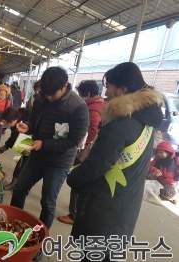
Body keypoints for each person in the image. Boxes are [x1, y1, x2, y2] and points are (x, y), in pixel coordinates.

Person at [66, 62, 163, 262]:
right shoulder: (147, 120)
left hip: (105, 207)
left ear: (123, 89)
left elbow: (95, 166)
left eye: (109, 86)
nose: (106, 91)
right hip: (126, 203)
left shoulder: (121, 123)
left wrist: (71, 178)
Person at [11, 66, 89, 260]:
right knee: (19, 188)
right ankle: (13, 228)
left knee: (47, 202)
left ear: (65, 85)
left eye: (52, 95)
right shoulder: (42, 98)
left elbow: (73, 142)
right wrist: (27, 126)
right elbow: (34, 118)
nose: (48, 98)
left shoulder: (78, 107)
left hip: (59, 162)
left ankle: (39, 244)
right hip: (37, 155)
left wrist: (43, 144)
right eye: (45, 94)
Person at [58, 80, 105, 225]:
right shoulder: (98, 104)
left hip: (85, 150)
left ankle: (73, 214)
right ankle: (77, 210)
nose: (80, 97)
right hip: (89, 149)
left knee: (76, 180)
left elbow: (93, 129)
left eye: (81, 94)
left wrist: (82, 144)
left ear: (88, 94)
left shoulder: (93, 108)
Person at [0, 106, 30, 190]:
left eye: (8, 122)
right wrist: (5, 147)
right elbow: (14, 136)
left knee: (26, 165)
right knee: (19, 161)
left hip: (30, 143)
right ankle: (15, 182)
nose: (7, 124)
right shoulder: (16, 119)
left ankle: (22, 186)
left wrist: (26, 147)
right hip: (22, 142)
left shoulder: (27, 120)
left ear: (15, 119)